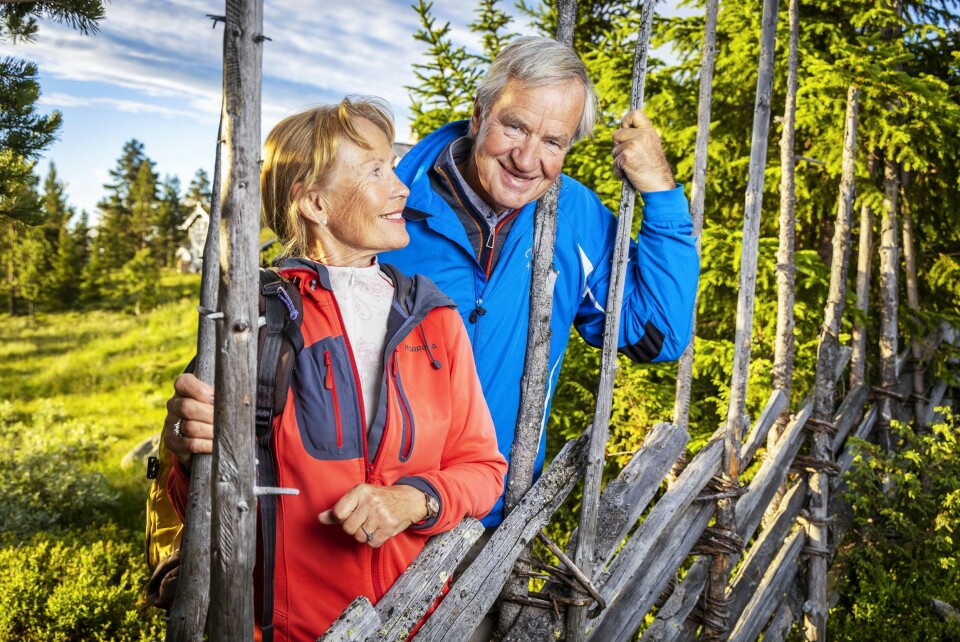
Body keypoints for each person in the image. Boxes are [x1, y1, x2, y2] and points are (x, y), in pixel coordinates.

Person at [163, 97, 507, 640]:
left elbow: (484, 469)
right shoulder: (252, 319)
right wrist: (186, 448)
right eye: (375, 171)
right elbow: (195, 504)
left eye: (393, 167)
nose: (402, 189)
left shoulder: (432, 317)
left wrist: (413, 500)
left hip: (420, 622)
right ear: (315, 204)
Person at [379, 36, 700, 527]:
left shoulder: (571, 216)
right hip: (379, 510)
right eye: (514, 127)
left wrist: (659, 189)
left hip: (489, 524)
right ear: (479, 112)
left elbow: (656, 333)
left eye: (553, 142)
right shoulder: (391, 205)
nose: (527, 160)